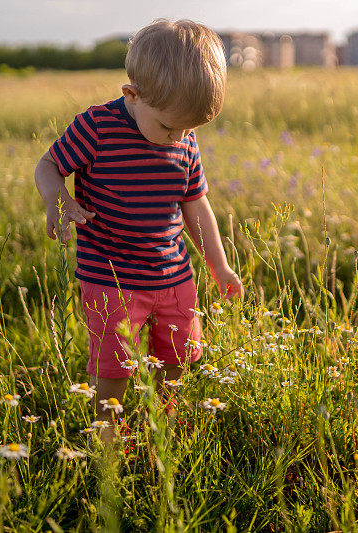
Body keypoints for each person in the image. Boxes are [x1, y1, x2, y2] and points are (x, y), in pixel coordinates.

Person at [34, 19, 243, 445]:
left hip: (173, 275)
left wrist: (218, 265)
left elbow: (195, 202)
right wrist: (58, 198)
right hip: (111, 278)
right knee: (114, 365)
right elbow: (48, 165)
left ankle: (164, 422)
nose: (179, 138)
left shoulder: (181, 137)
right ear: (132, 95)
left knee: (179, 355)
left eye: (190, 130)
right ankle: (107, 432)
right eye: (170, 128)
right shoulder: (97, 127)